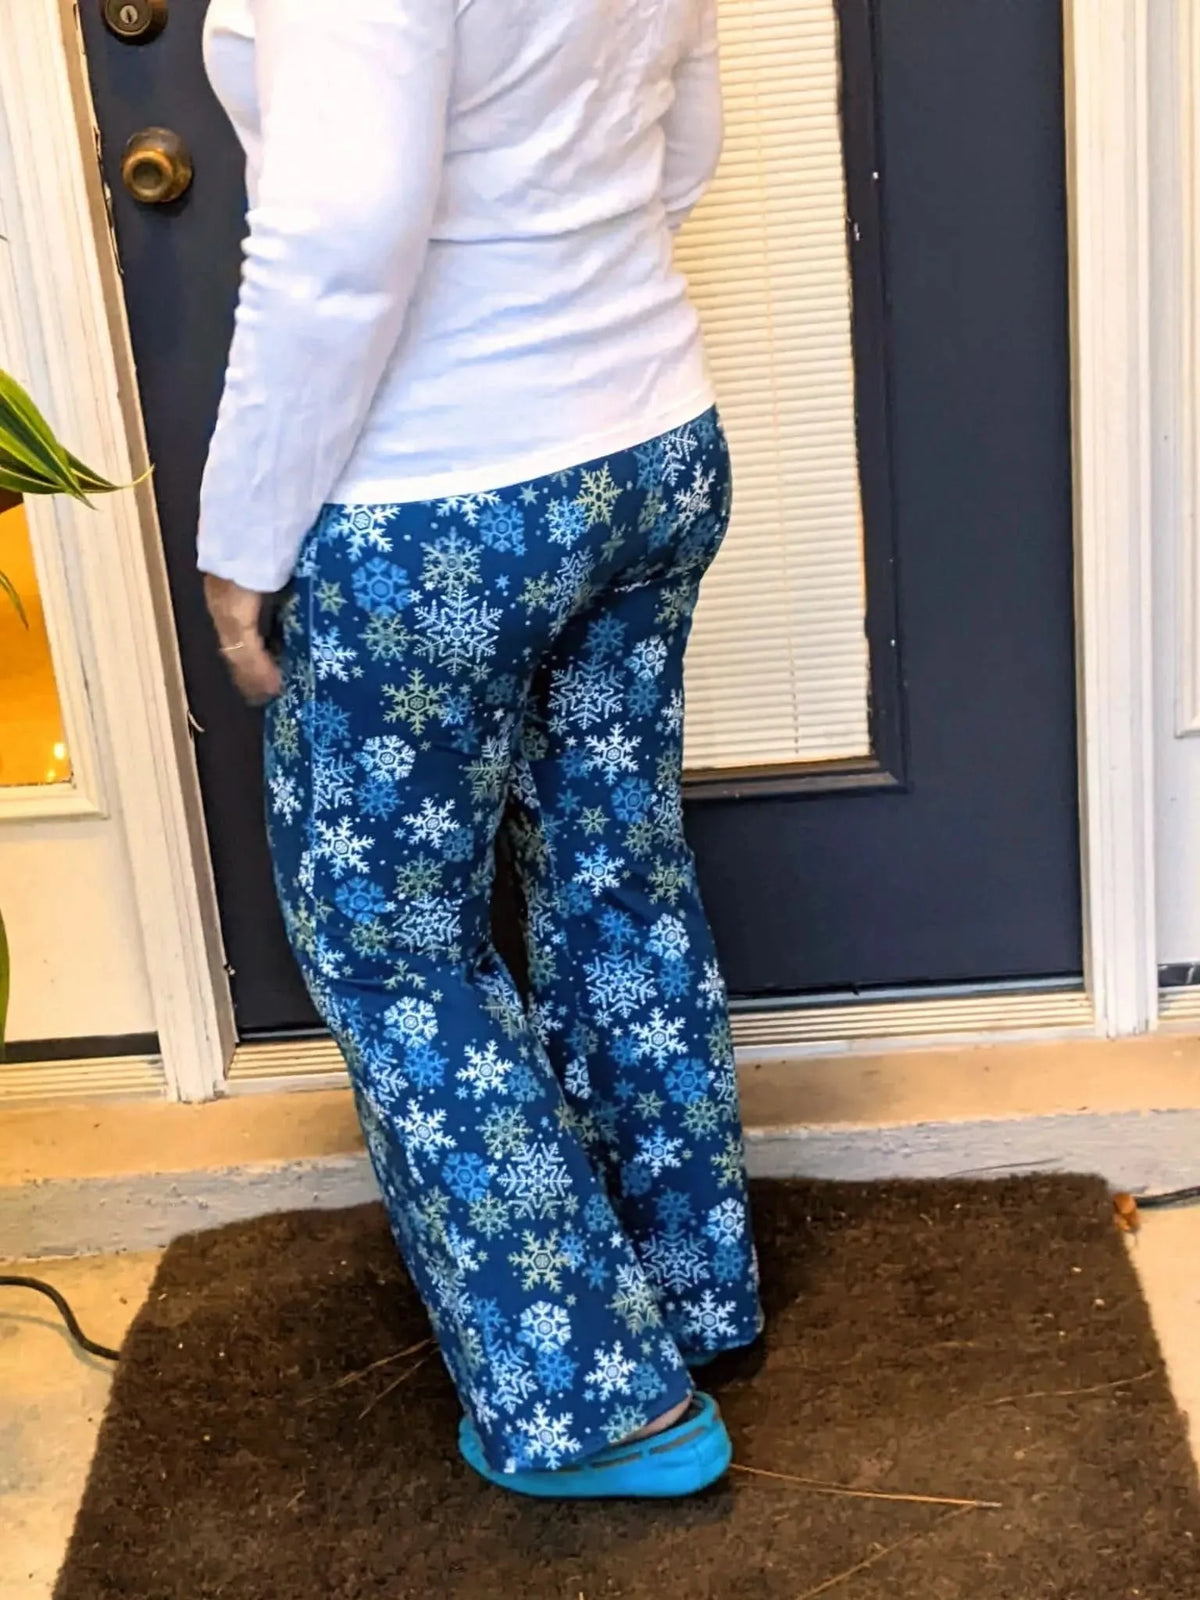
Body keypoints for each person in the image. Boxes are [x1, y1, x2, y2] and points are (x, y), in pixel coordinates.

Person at [198, 0, 763, 1499]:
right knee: (613, 871)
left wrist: (242, 538)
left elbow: (337, 236)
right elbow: (681, 138)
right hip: (651, 440)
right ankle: (684, 1293)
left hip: (437, 491)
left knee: (393, 949)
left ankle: (596, 1403)